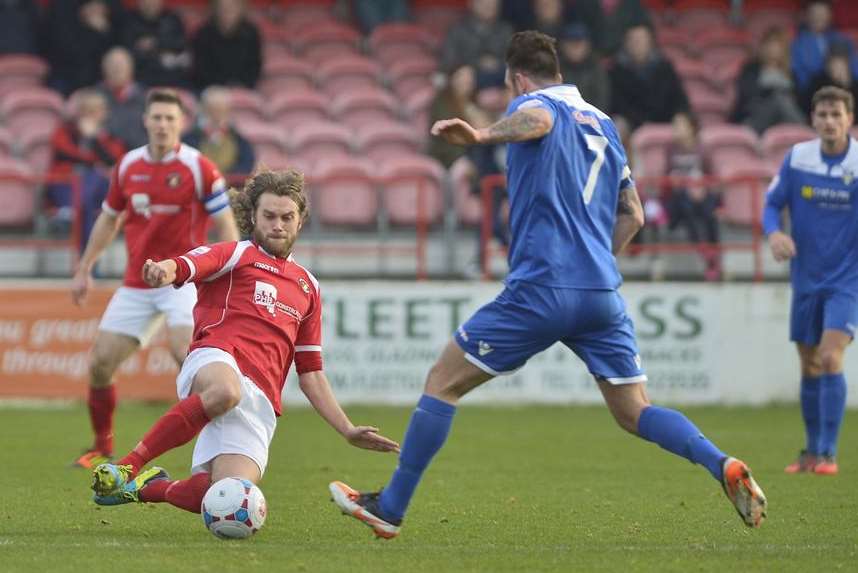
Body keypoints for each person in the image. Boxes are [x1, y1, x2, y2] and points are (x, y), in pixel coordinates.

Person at [329, 31, 767, 539]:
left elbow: (538, 119)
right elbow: (635, 214)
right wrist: (596, 264)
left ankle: (393, 506)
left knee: (442, 382)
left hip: (542, 287)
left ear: (518, 79)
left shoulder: (537, 106)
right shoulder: (604, 124)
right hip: (601, 293)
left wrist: (481, 135)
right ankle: (722, 464)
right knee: (635, 410)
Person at [88, 169, 400, 511]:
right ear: (253, 216)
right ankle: (128, 465)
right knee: (225, 392)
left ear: (300, 221)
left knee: (226, 498)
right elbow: (188, 264)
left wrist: (347, 429)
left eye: (286, 217)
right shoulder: (236, 255)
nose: (277, 225)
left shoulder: (309, 286)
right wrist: (164, 271)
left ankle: (148, 487)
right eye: (268, 216)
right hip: (218, 359)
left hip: (261, 401)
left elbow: (310, 371)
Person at [70, 89, 240, 469]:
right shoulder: (128, 166)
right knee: (99, 364)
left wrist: (230, 270)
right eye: (157, 117)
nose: (163, 124)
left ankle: (218, 448)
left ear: (181, 123)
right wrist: (85, 268)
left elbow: (225, 223)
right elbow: (109, 219)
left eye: (170, 118)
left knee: (187, 358)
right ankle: (102, 445)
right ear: (145, 120)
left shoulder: (199, 167)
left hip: (183, 280)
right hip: (137, 284)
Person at [763, 85, 856, 476]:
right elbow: (772, 204)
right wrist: (775, 233)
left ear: (850, 119)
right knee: (809, 363)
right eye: (822, 115)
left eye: (837, 114)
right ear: (813, 119)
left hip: (848, 280)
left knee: (831, 356)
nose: (829, 122)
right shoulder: (798, 158)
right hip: (806, 277)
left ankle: (828, 454)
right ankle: (811, 452)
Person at [45, 89, 125, 247]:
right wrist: (93, 161)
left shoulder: (110, 136)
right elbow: (66, 154)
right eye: (86, 110)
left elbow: (113, 160)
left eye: (95, 111)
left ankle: (69, 212)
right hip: (66, 186)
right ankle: (89, 266)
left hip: (98, 191)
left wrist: (93, 139)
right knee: (85, 205)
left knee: (95, 177)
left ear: (104, 113)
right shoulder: (64, 131)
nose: (90, 115)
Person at [664, 112, 721, 281]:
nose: (676, 129)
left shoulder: (703, 149)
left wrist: (701, 187)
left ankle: (713, 255)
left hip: (701, 196)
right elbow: (665, 177)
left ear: (691, 128)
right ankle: (703, 249)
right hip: (678, 199)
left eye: (680, 125)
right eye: (674, 125)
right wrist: (676, 181)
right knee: (685, 202)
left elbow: (712, 177)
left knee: (710, 210)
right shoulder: (670, 149)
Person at [609, 24, 689, 130]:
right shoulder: (616, 70)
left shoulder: (665, 67)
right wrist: (640, 122)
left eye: (641, 39)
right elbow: (618, 104)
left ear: (650, 42)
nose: (637, 43)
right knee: (618, 125)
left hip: (666, 119)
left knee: (683, 123)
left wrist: (680, 115)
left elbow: (679, 98)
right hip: (632, 122)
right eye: (633, 40)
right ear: (626, 43)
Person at [731, 27, 806, 135]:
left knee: (783, 102)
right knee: (778, 99)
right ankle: (805, 131)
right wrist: (772, 92)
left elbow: (797, 101)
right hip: (755, 116)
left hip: (783, 119)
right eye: (770, 45)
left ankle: (804, 133)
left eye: (777, 46)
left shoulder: (790, 74)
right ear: (763, 47)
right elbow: (747, 96)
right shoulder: (751, 69)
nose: (773, 49)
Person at [183, 86, 256, 178]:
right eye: (212, 110)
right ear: (203, 109)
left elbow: (246, 165)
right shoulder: (188, 139)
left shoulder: (238, 140)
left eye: (221, 110)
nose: (217, 115)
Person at [192, 0, 262, 91]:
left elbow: (254, 66)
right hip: (211, 88)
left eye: (232, 7)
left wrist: (240, 85)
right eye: (222, 7)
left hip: (243, 88)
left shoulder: (251, 33)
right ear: (215, 8)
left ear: (241, 9)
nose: (227, 11)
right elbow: (200, 70)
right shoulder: (203, 34)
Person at [96, 47, 148, 149]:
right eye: (112, 65)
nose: (117, 69)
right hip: (101, 159)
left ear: (131, 68)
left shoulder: (145, 99)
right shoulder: (92, 97)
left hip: (136, 156)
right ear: (103, 68)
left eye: (121, 65)